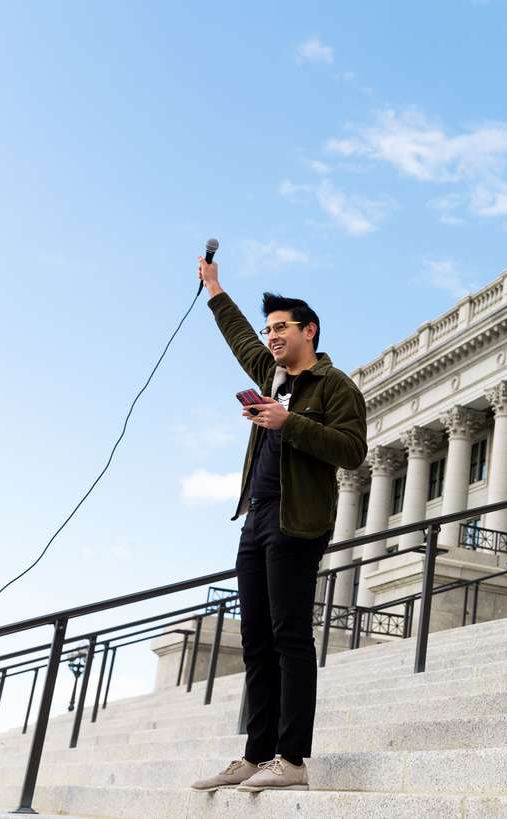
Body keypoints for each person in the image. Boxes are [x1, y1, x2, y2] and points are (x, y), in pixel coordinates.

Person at [189, 257, 367, 793]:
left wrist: (292, 423)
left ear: (308, 330)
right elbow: (240, 337)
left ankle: (292, 758)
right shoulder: (270, 375)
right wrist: (215, 289)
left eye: (281, 328)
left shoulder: (335, 386)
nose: (271, 337)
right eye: (269, 330)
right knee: (256, 641)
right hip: (258, 517)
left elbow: (353, 451)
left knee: (291, 637)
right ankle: (255, 753)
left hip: (299, 522)